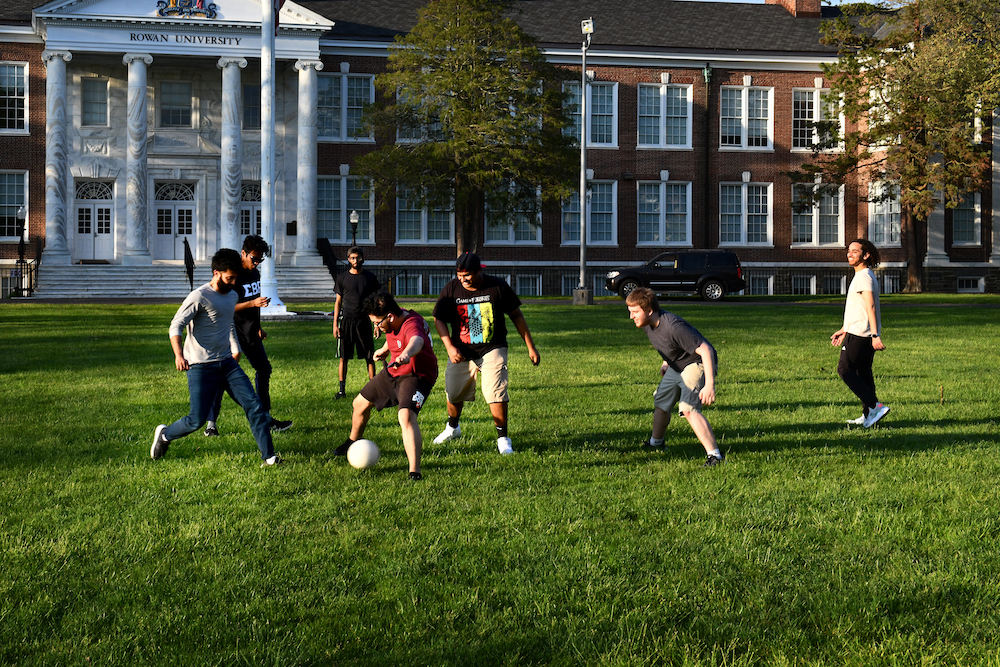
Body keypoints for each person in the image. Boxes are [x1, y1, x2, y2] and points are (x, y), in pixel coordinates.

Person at [151, 248, 281, 467]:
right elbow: (176, 325)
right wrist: (178, 355)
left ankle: (269, 457)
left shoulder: (232, 295)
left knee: (254, 406)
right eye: (229, 278)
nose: (233, 283)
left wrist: (234, 347)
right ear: (216, 272)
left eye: (235, 278)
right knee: (196, 420)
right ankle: (165, 435)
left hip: (227, 364)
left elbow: (226, 320)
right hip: (200, 366)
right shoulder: (199, 296)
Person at [431, 252, 540, 455]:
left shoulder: (497, 287)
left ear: (479, 271)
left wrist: (531, 347)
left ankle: (503, 438)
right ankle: (452, 428)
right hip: (461, 350)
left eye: (468, 275)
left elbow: (516, 315)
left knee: (495, 392)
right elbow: (439, 319)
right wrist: (449, 347)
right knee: (453, 392)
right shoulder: (451, 289)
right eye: (459, 275)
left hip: (492, 347)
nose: (463, 279)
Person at [334, 291, 438, 480]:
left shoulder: (411, 323)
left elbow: (417, 340)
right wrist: (384, 350)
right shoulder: (393, 320)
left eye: (377, 323)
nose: (376, 326)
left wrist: (406, 355)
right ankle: (352, 441)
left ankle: (414, 471)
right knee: (359, 403)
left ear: (390, 316)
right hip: (393, 371)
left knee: (405, 415)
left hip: (417, 375)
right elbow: (394, 338)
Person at [203, 234, 292, 437]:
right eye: (254, 258)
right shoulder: (233, 274)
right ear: (243, 253)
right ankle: (211, 424)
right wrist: (252, 304)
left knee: (264, 369)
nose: (257, 263)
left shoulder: (255, 274)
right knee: (222, 376)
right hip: (231, 331)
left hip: (251, 331)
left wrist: (258, 325)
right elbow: (226, 306)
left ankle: (266, 416)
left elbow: (256, 301)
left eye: (260, 259)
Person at [625, 287, 724, 467]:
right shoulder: (647, 323)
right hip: (676, 364)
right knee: (661, 401)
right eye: (630, 312)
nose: (631, 316)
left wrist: (709, 385)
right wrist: (666, 362)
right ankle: (656, 443)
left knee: (688, 409)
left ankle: (715, 456)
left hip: (696, 363)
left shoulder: (673, 326)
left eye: (634, 312)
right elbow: (666, 345)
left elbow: (706, 350)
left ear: (649, 310)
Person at [831, 238, 889, 428]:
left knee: (845, 369)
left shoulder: (864, 276)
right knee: (863, 372)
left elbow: (870, 305)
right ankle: (868, 415)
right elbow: (858, 308)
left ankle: (874, 406)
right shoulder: (863, 275)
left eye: (855, 251)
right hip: (857, 330)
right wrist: (844, 329)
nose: (850, 254)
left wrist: (875, 335)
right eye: (849, 250)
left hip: (861, 333)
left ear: (866, 255)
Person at [332, 246, 381, 399]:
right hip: (346, 321)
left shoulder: (370, 278)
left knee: (369, 356)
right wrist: (335, 324)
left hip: (364, 321)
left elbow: (375, 302)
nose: (355, 260)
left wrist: (377, 324)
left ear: (362, 259)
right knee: (343, 357)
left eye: (358, 257)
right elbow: (338, 302)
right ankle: (342, 390)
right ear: (348, 259)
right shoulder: (342, 278)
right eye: (352, 258)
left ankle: (373, 390)